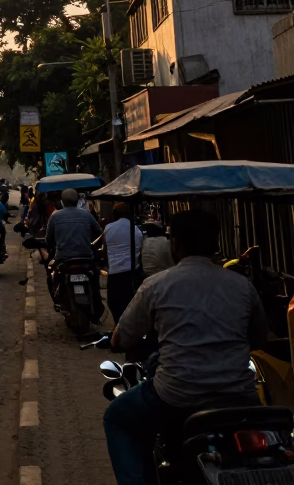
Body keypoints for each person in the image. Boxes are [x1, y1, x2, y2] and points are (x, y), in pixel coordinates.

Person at [103, 209, 268, 485]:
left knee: (117, 418)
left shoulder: (155, 285)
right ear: (215, 244)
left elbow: (123, 338)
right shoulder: (242, 286)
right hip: (239, 396)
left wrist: (116, 340)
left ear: (175, 243)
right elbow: (260, 340)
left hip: (176, 396)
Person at [45, 187, 104, 320]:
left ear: (62, 201)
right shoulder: (86, 214)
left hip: (63, 259)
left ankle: (58, 300)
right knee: (95, 278)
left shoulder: (55, 216)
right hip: (86, 257)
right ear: (78, 200)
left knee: (51, 274)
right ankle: (97, 302)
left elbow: (48, 239)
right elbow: (99, 232)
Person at [104, 202, 144, 324]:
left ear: (114, 214)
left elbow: (105, 251)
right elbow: (140, 252)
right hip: (132, 274)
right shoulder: (136, 230)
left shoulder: (108, 228)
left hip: (114, 273)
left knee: (115, 306)